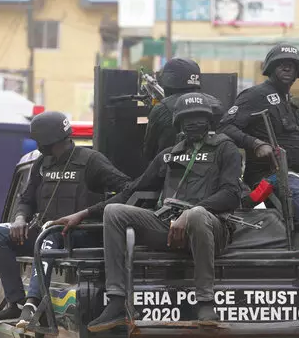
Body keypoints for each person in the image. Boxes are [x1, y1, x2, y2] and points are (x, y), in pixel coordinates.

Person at [80, 92, 242, 332]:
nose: (194, 123)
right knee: (114, 211)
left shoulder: (225, 148)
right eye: (188, 119)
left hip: (211, 228)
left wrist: (193, 212)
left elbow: (231, 194)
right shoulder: (169, 154)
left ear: (209, 121)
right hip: (169, 226)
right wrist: (84, 213)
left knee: (197, 216)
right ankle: (117, 302)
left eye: (200, 118)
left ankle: (205, 303)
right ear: (178, 123)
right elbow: (132, 189)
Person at [0, 111, 131, 326]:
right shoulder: (41, 163)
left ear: (49, 140)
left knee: (48, 237)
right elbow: (26, 199)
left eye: (39, 141)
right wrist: (20, 218)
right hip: (48, 231)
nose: (38, 145)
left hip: (78, 235)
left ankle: (33, 305)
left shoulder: (91, 161)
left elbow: (127, 188)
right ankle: (16, 304)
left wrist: (86, 214)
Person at [217, 43, 299, 259]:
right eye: (281, 64)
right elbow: (224, 127)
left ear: (298, 72)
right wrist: (255, 143)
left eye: (291, 65)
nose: (287, 68)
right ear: (270, 68)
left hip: (298, 179)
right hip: (276, 178)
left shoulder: (289, 102)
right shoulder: (255, 95)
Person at [143, 57, 223, 162]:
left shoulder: (162, 108)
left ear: (168, 79)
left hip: (172, 172)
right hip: (212, 172)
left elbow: (148, 152)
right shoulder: (216, 103)